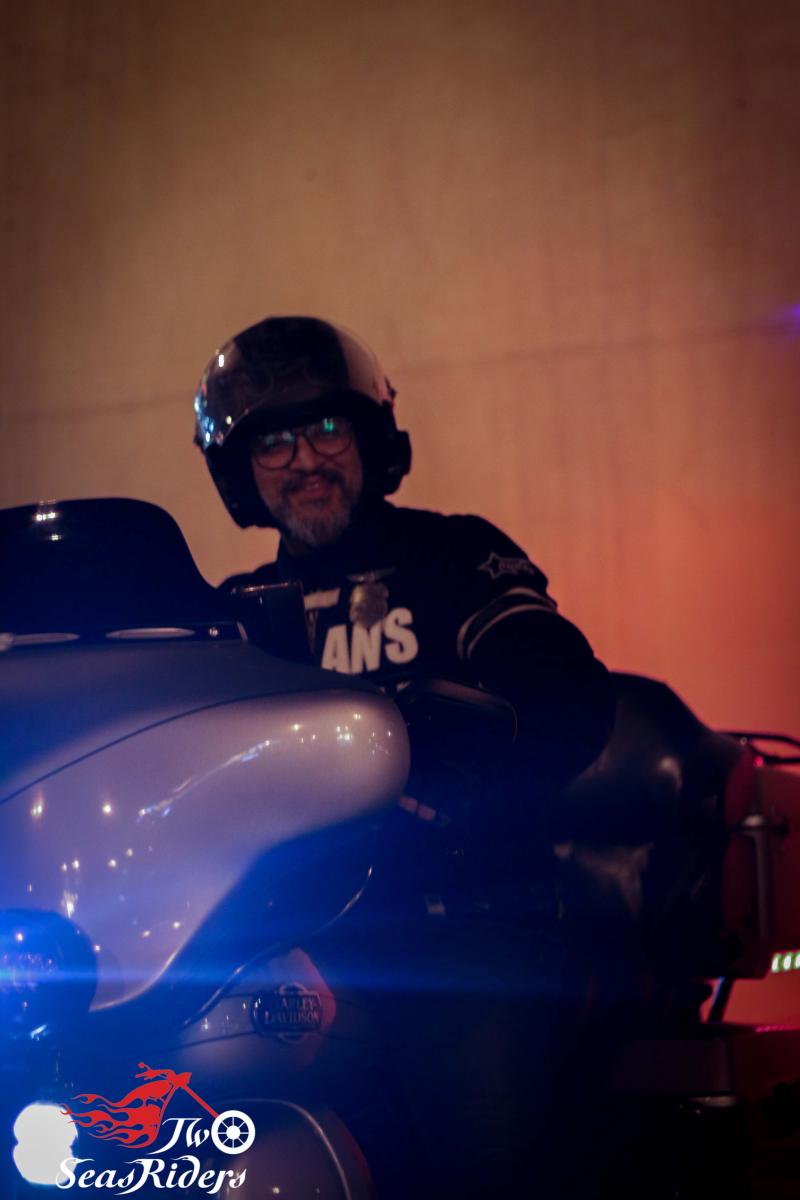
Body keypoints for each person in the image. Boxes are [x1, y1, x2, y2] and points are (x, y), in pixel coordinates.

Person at [193, 315, 614, 1198]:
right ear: (240, 472)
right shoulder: (233, 617)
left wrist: (456, 774)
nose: (305, 460)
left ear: (371, 438)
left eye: (327, 428)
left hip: (463, 929)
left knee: (481, 1166)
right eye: (273, 442)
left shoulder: (456, 556)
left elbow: (568, 695)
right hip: (290, 946)